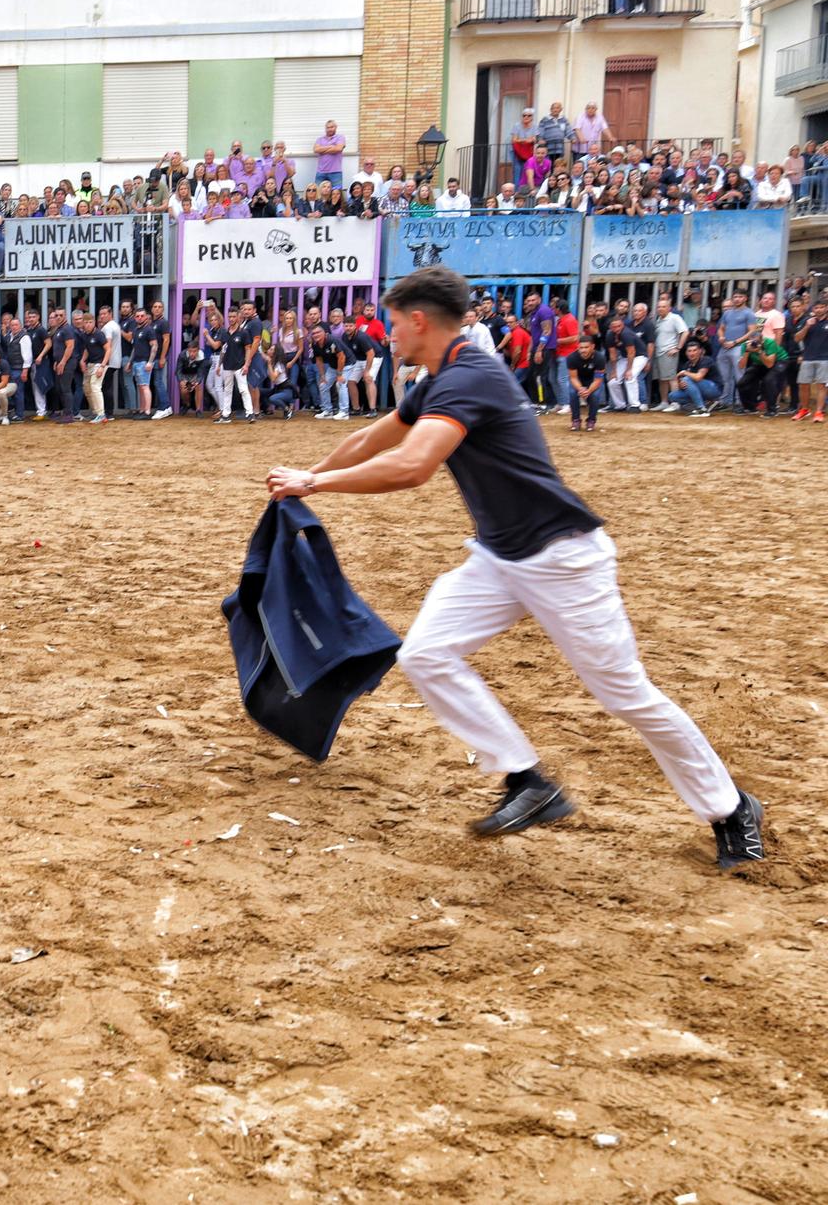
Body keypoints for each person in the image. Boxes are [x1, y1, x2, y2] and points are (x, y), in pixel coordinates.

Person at [266, 265, 765, 869]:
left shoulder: (468, 377)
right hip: (501, 556)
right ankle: (527, 781)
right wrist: (307, 479)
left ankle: (731, 806)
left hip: (562, 559)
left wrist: (315, 481)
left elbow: (411, 466)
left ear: (419, 321)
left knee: (626, 695)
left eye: (393, 324)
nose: (387, 333)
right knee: (425, 653)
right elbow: (373, 440)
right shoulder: (438, 380)